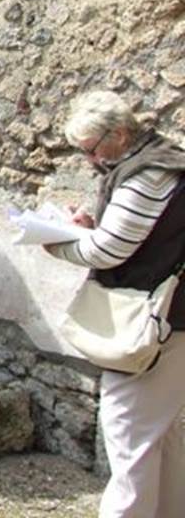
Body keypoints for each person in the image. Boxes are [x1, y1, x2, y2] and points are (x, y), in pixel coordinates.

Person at [45, 90, 185, 517]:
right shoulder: (157, 162)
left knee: (128, 437)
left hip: (152, 323)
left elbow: (110, 250)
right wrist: (89, 228)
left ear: (120, 134)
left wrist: (57, 243)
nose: (90, 160)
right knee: (158, 437)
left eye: (92, 149)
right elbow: (130, 236)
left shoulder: (148, 173)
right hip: (170, 319)